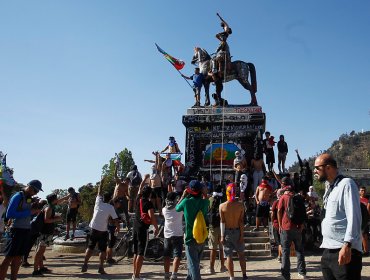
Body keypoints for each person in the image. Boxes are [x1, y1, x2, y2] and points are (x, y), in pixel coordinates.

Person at [314, 154, 362, 280]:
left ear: (328, 168)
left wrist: (347, 244)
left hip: (344, 249)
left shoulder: (346, 184)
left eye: (317, 168)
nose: (314, 171)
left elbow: (354, 217)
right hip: (328, 250)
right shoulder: (329, 188)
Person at [0, 180, 43, 280]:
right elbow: (9, 214)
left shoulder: (27, 197)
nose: (36, 193)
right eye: (36, 191)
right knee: (8, 258)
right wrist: (30, 211)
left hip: (25, 230)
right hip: (16, 230)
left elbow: (25, 211)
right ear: (30, 187)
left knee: (18, 258)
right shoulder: (18, 196)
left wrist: (34, 206)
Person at [81, 177, 120, 275]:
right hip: (102, 231)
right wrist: (118, 228)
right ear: (110, 199)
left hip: (93, 228)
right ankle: (101, 267)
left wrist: (101, 182)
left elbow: (99, 191)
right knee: (102, 249)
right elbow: (115, 220)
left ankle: (85, 264)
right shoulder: (110, 207)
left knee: (90, 247)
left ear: (103, 198)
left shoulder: (98, 202)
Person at [176, 180, 209, 280]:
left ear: (189, 190)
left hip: (190, 238)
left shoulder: (186, 202)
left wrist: (183, 196)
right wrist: (205, 193)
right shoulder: (204, 202)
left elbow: (177, 208)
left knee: (193, 265)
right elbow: (207, 199)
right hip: (202, 237)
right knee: (194, 264)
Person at [277, 178, 307, 280]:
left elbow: (279, 211)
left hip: (286, 227)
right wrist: (302, 224)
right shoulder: (298, 197)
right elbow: (303, 211)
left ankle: (286, 275)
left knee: (285, 251)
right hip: (298, 227)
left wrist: (280, 225)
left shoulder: (283, 197)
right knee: (299, 250)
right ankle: (302, 273)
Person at [32, 193, 68, 276]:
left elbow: (59, 201)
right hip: (44, 232)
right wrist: (57, 218)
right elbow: (46, 220)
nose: (57, 200)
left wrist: (67, 197)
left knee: (41, 251)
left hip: (45, 232)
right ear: (53, 200)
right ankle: (35, 270)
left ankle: (41, 267)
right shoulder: (49, 208)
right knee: (40, 251)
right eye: (56, 198)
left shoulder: (49, 206)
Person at [132, 174, 159, 280]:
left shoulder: (138, 199)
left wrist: (144, 180)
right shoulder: (148, 203)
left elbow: (139, 189)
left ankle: (134, 274)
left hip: (135, 227)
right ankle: (137, 276)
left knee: (135, 252)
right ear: (149, 195)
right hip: (143, 229)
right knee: (141, 253)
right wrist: (156, 227)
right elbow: (152, 216)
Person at [219, 183, 248, 280]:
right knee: (241, 254)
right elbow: (241, 221)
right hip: (237, 231)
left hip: (227, 232)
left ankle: (232, 277)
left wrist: (222, 236)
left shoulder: (222, 206)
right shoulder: (240, 206)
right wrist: (242, 236)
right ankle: (244, 275)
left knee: (229, 256)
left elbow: (222, 222)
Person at [162, 192, 184, 280]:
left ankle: (166, 274)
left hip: (167, 235)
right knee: (177, 256)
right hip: (177, 234)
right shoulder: (179, 209)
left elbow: (176, 204)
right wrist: (183, 196)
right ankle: (174, 274)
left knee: (167, 256)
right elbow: (179, 204)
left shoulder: (164, 210)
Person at [206, 185, 227, 274]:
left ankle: (211, 268)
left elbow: (207, 211)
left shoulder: (210, 199)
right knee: (222, 248)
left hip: (212, 226)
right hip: (223, 226)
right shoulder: (224, 201)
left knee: (213, 248)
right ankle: (222, 267)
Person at [106, 198, 123, 264]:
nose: (120, 204)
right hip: (111, 228)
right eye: (119, 203)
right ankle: (109, 258)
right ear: (115, 203)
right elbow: (110, 220)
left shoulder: (114, 209)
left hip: (112, 228)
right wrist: (117, 222)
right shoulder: (112, 210)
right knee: (110, 244)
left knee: (110, 244)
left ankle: (109, 257)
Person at [271, 189, 284, 263]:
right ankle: (280, 256)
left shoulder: (276, 202)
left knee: (279, 242)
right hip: (284, 224)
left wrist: (273, 221)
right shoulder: (285, 201)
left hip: (277, 224)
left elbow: (272, 213)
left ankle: (281, 256)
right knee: (282, 242)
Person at [359, 186, 369, 257]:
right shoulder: (357, 199)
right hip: (358, 219)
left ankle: (366, 251)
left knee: (364, 235)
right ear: (359, 192)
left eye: (364, 190)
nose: (363, 192)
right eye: (362, 190)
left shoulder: (368, 199)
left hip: (365, 220)